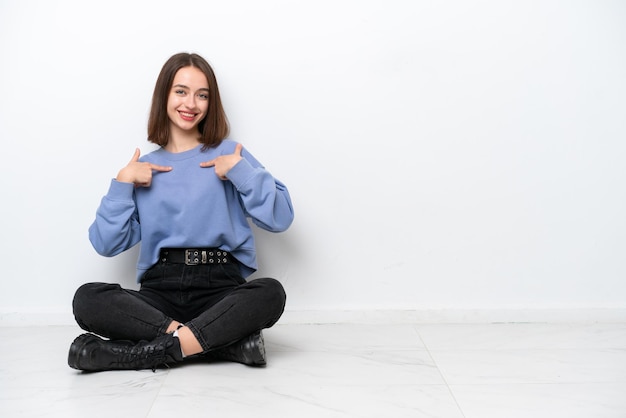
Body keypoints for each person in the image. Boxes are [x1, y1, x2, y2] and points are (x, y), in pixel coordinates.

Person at [68, 52, 294, 372]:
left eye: (202, 95)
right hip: (159, 293)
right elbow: (106, 244)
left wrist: (241, 172)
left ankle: (142, 353)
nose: (191, 103)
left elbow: (281, 218)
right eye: (181, 91)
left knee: (270, 293)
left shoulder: (231, 154)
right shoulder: (144, 169)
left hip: (221, 288)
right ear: (164, 95)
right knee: (87, 298)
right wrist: (122, 184)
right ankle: (222, 344)